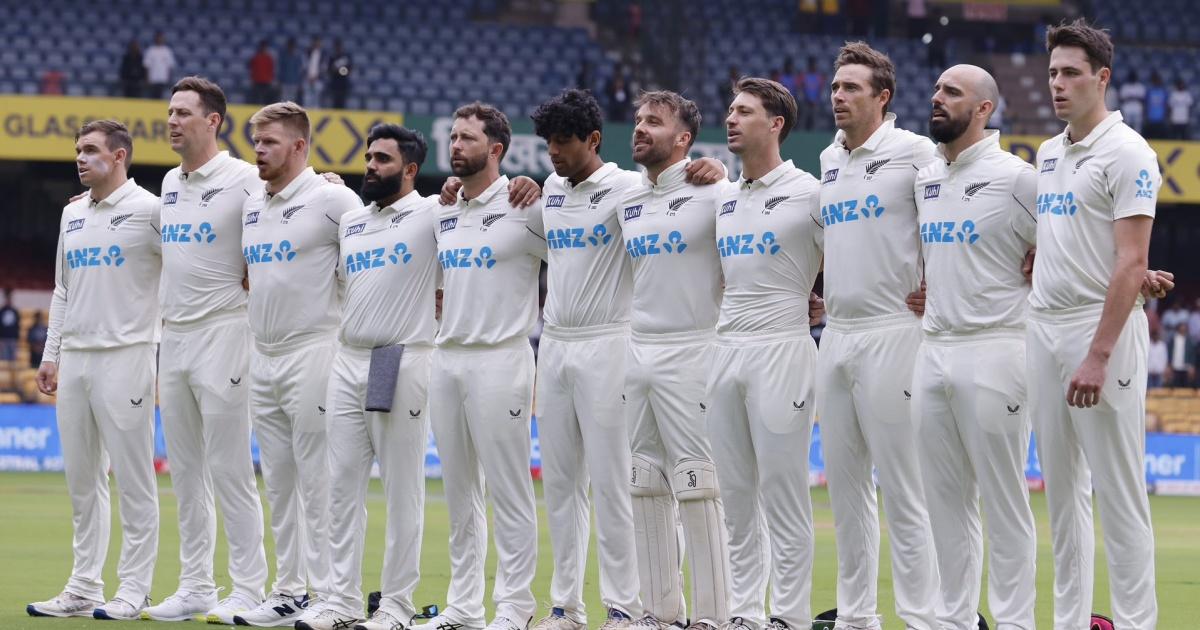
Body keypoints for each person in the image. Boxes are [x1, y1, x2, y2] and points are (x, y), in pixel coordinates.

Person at [1030, 19, 1160, 628]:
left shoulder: (1129, 152)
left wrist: (1099, 354)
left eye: (1071, 73)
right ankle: (1071, 621)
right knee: (1062, 498)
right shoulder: (1047, 152)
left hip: (1100, 333)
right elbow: (1066, 241)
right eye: (1053, 73)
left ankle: (1135, 623)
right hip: (1043, 328)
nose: (1058, 84)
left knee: (1120, 494)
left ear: (1101, 78)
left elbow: (1131, 260)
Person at [812, 41, 941, 630]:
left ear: (882, 97)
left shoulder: (916, 152)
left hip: (895, 331)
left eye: (852, 88)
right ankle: (856, 617)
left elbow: (950, 218)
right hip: (837, 334)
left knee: (905, 489)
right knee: (845, 493)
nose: (838, 96)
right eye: (835, 87)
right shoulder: (827, 157)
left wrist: (941, 285)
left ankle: (921, 617)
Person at [139, 76, 269, 624]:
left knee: (229, 468)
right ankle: (195, 585)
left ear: (213, 120)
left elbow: (295, 201)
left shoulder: (244, 178)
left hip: (224, 331)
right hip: (175, 336)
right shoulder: (170, 182)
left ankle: (249, 587)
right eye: (170, 112)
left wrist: (329, 179)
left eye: (183, 113)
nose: (172, 121)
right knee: (186, 471)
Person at [913, 65, 1038, 630]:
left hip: (997, 347)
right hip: (933, 347)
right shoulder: (925, 178)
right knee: (944, 503)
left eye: (952, 92)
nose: (937, 98)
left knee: (1004, 502)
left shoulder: (1017, 179)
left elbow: (1070, 243)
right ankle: (953, 620)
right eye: (937, 89)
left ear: (984, 109)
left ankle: (1014, 622)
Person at [302, 125, 438, 630]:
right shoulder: (352, 220)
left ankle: (396, 604)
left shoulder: (432, 213)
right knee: (339, 488)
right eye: (369, 157)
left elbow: (478, 207)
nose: (371, 166)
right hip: (347, 357)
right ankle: (339, 601)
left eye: (383, 159)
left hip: (398, 357)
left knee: (402, 490)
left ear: (410, 169)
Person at [234, 102, 362, 627]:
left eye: (269, 142)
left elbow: (366, 262)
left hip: (315, 350)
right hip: (262, 354)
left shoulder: (334, 199)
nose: (259, 151)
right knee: (279, 482)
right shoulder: (252, 203)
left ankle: (332, 594)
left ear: (299, 146)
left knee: (320, 481)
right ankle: (289, 590)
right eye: (256, 142)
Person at [26, 120, 161, 621]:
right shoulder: (73, 214)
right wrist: (51, 354)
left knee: (133, 480)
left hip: (127, 354)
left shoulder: (151, 210)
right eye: (78, 150)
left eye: (90, 150)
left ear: (119, 156)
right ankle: (84, 587)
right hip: (77, 358)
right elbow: (63, 288)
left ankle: (135, 589)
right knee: (83, 482)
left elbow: (187, 268)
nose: (80, 158)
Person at [420, 102, 546, 630]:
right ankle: (464, 607)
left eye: (467, 138)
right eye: (453, 137)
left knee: (509, 490)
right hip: (447, 359)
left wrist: (538, 188)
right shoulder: (443, 210)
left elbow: (583, 258)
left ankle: (515, 606)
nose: (455, 146)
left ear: (496, 149)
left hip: (501, 358)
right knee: (460, 494)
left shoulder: (526, 206)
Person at [709, 78, 822, 630]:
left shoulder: (810, 192)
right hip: (724, 350)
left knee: (783, 493)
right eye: (731, 109)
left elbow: (860, 251)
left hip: (782, 348)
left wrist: (827, 303)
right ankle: (745, 614)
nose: (731, 119)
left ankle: (790, 616)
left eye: (745, 111)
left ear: (775, 124)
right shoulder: (722, 197)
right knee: (734, 498)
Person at [619, 90, 730, 630]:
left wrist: (722, 169)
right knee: (643, 480)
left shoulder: (715, 192)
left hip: (694, 350)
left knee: (698, 481)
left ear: (684, 139)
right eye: (639, 120)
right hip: (638, 350)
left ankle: (713, 615)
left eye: (655, 122)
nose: (641, 128)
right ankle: (658, 612)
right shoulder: (626, 198)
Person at [143, 31, 175, 98]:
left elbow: (170, 66)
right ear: (155, 39)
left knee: (161, 96)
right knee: (153, 97)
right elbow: (147, 65)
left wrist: (169, 78)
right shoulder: (151, 50)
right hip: (152, 79)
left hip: (163, 79)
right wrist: (147, 78)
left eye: (161, 38)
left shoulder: (167, 51)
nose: (159, 39)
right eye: (158, 38)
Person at [248, 40, 276, 104]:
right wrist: (252, 79)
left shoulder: (269, 58)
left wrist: (271, 79)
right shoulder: (256, 57)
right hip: (257, 81)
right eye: (262, 47)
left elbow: (271, 70)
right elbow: (252, 68)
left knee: (265, 98)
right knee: (257, 98)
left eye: (264, 47)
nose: (263, 48)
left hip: (266, 81)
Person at [1166, 322, 1194, 387]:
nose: (1183, 330)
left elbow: (1192, 354)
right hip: (1175, 367)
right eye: (1181, 328)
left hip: (1186, 367)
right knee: (1176, 386)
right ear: (1178, 329)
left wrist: (1192, 366)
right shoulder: (1173, 339)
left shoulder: (1189, 340)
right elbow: (1169, 352)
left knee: (1186, 387)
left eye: (1184, 329)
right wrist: (1169, 364)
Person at [327, 39, 352, 109]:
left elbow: (349, 69)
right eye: (337, 47)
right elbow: (329, 70)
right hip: (334, 82)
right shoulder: (332, 58)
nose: (338, 48)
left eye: (339, 47)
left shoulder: (346, 57)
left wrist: (342, 71)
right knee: (334, 103)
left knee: (342, 102)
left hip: (343, 83)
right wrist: (336, 70)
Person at [1144, 71, 1169, 140]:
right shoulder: (1149, 92)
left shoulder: (1164, 92)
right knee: (1151, 138)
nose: (1157, 82)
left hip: (1161, 118)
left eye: (1158, 81)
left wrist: (1166, 116)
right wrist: (1145, 116)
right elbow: (1146, 104)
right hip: (1151, 118)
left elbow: (1166, 105)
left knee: (1160, 138)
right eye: (1155, 81)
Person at [279, 38, 304, 103]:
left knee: (292, 100)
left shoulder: (298, 57)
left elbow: (300, 71)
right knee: (284, 100)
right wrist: (279, 81)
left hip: (294, 82)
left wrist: (300, 83)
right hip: (285, 82)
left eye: (292, 46)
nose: (291, 47)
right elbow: (281, 69)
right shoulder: (284, 55)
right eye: (290, 46)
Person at [303, 38, 324, 107]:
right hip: (308, 79)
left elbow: (323, 67)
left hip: (318, 79)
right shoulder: (307, 53)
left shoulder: (323, 54)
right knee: (307, 99)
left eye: (318, 43)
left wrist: (316, 76)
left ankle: (316, 112)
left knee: (317, 100)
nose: (317, 45)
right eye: (315, 43)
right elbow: (305, 66)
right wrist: (309, 76)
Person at [0, 288, 17, 361]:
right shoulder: (1, 311)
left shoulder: (15, 311)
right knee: (4, 359)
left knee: (13, 360)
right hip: (3, 339)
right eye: (7, 298)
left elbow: (17, 326)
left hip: (13, 339)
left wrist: (16, 337)